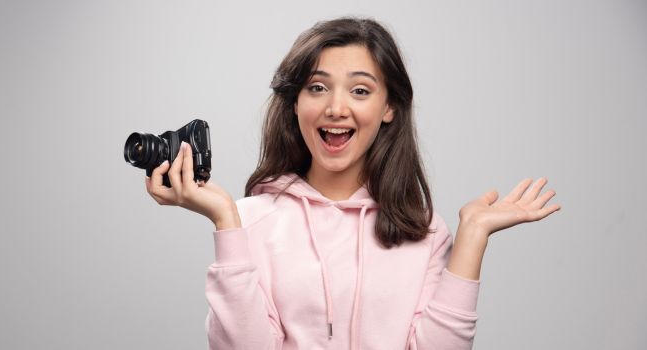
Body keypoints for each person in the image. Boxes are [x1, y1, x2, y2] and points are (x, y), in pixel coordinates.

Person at [144, 17, 560, 350]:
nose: (336, 107)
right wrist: (224, 219)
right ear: (295, 103)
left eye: (360, 90)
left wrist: (470, 239)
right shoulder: (248, 222)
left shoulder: (424, 231)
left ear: (389, 107)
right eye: (317, 87)